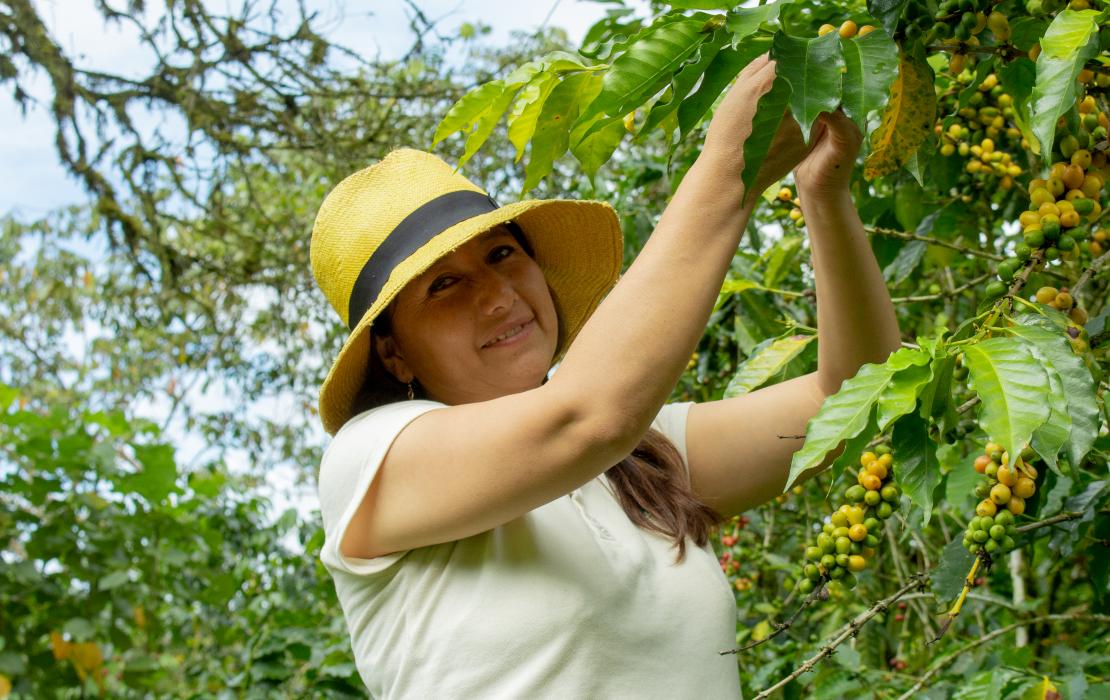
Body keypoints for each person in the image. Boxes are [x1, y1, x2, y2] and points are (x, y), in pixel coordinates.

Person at [310, 55, 902, 699]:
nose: (498, 295)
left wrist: (824, 194)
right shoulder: (372, 457)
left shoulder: (641, 457)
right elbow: (586, 419)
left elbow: (853, 400)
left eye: (502, 253)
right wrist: (735, 164)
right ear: (394, 354)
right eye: (445, 286)